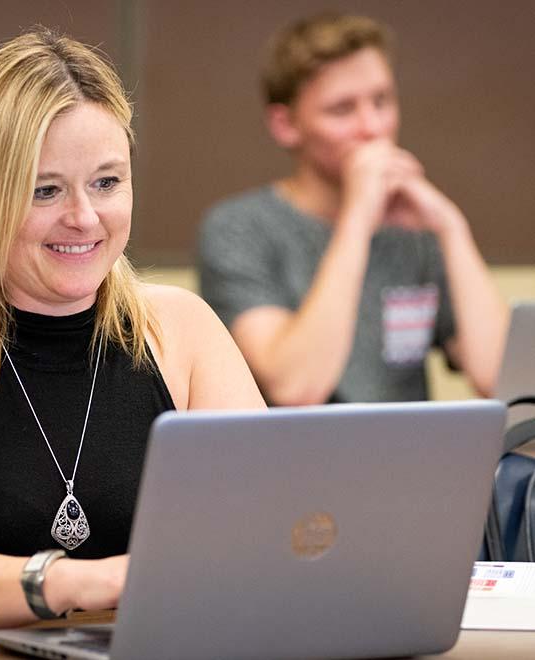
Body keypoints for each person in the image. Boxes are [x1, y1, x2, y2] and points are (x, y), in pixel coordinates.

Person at [0, 29, 265, 630]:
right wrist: (74, 581)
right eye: (44, 190)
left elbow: (276, 525)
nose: (84, 218)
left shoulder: (179, 329)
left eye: (107, 182)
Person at [198, 13, 508, 406]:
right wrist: (358, 220)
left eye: (381, 101)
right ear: (286, 125)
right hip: (295, 462)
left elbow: (499, 379)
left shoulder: (417, 231)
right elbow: (296, 388)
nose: (372, 126)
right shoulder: (239, 229)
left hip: (410, 461)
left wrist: (451, 228)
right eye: (342, 110)